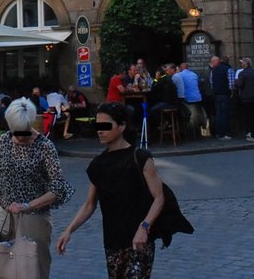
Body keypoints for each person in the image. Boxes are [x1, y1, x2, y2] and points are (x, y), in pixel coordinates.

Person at [57, 102, 193, 278]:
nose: (100, 131)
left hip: (139, 241)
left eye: (106, 126)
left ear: (122, 126)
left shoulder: (140, 157)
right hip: (113, 240)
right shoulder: (98, 164)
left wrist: (144, 227)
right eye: (98, 126)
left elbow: (159, 198)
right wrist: (69, 230)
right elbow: (90, 204)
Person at [0, 98, 74, 278]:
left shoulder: (45, 147)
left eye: (24, 131)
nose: (19, 137)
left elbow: (59, 188)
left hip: (34, 218)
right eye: (15, 131)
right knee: (0, 272)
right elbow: (4, 184)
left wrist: (28, 205)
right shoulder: (4, 141)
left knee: (32, 271)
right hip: (5, 217)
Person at [235, 57, 254, 142]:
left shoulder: (242, 74)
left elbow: (240, 85)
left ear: (245, 64)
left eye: (242, 63)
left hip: (246, 98)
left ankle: (252, 134)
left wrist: (236, 82)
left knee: (249, 116)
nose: (241, 64)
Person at [209, 56, 233, 140]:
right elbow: (231, 84)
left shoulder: (213, 70)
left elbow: (211, 83)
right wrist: (232, 93)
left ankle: (219, 133)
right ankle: (226, 133)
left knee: (218, 114)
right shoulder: (228, 69)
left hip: (216, 95)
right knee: (225, 114)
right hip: (225, 94)